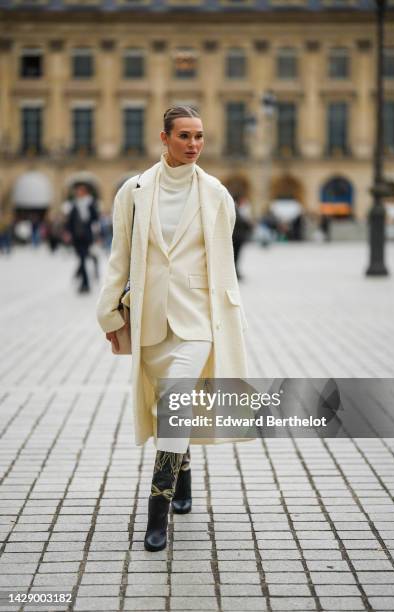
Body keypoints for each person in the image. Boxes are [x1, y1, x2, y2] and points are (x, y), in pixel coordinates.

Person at [96, 105, 248, 553]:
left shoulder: (217, 193)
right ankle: (183, 482)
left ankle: (155, 514)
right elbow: (119, 256)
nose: (194, 144)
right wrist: (110, 314)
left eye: (199, 136)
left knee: (175, 401)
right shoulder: (134, 190)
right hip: (148, 316)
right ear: (164, 138)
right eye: (184, 136)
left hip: (199, 319)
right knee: (169, 407)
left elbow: (222, 260)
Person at [65, 183, 99, 293]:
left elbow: (95, 218)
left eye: (80, 191)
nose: (78, 193)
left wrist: (97, 235)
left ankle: (85, 284)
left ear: (85, 193)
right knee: (82, 258)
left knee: (83, 258)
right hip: (77, 237)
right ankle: (83, 276)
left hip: (86, 237)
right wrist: (67, 232)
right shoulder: (75, 204)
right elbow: (70, 221)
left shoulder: (90, 203)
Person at [232, 195, 253, 280]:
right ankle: (234, 272)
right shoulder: (235, 210)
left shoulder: (239, 210)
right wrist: (248, 224)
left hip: (238, 237)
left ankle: (236, 271)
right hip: (236, 237)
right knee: (235, 256)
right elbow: (240, 222)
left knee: (237, 256)